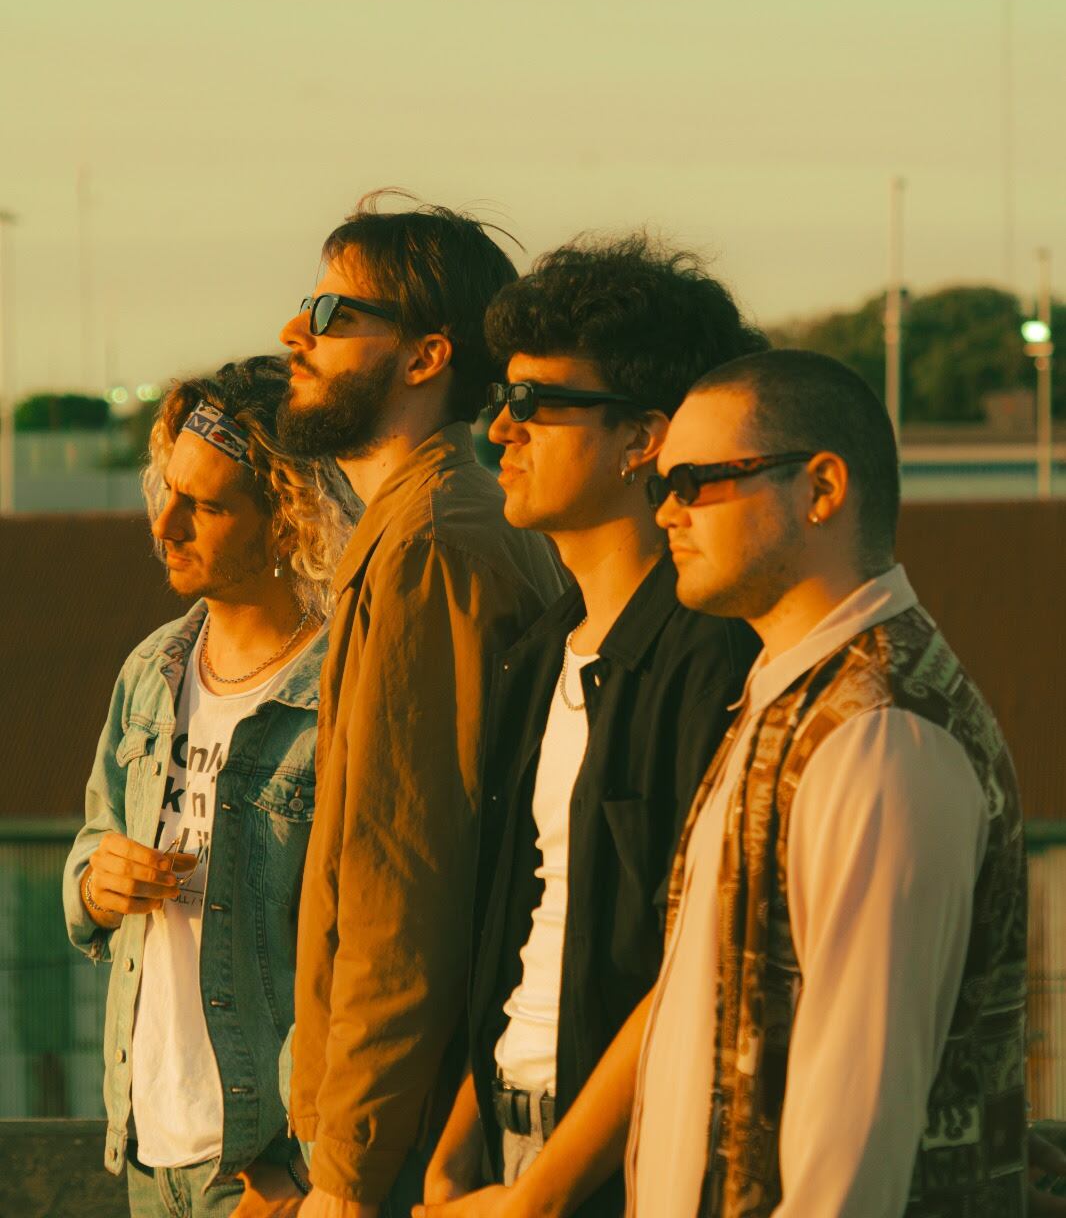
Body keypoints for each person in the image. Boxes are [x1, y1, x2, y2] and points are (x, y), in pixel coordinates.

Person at [626, 348, 1028, 1216]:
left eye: (696, 480)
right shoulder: (800, 697)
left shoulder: (881, 736)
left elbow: (853, 1142)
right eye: (662, 484)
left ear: (821, 488)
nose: (665, 511)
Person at [416, 237, 763, 1218]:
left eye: (535, 404)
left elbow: (693, 965)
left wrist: (542, 1196)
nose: (498, 432)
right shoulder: (536, 651)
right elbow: (522, 924)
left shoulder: (716, 657)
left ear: (641, 437)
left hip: (633, 1175)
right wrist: (458, 1146)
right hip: (506, 1155)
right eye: (499, 401)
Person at [273, 196, 564, 1218]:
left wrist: (346, 1175)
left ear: (426, 354)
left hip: (405, 1147)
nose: (292, 333)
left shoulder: (427, 547)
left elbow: (405, 877)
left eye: (333, 311)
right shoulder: (424, 526)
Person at [64, 356, 355, 1218]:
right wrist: (98, 878)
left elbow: (379, 942)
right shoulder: (152, 670)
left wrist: (304, 1171)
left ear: (287, 521)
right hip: (149, 1151)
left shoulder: (341, 687)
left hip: (269, 1168)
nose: (166, 525)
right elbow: (89, 842)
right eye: (168, 491)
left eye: (209, 505)